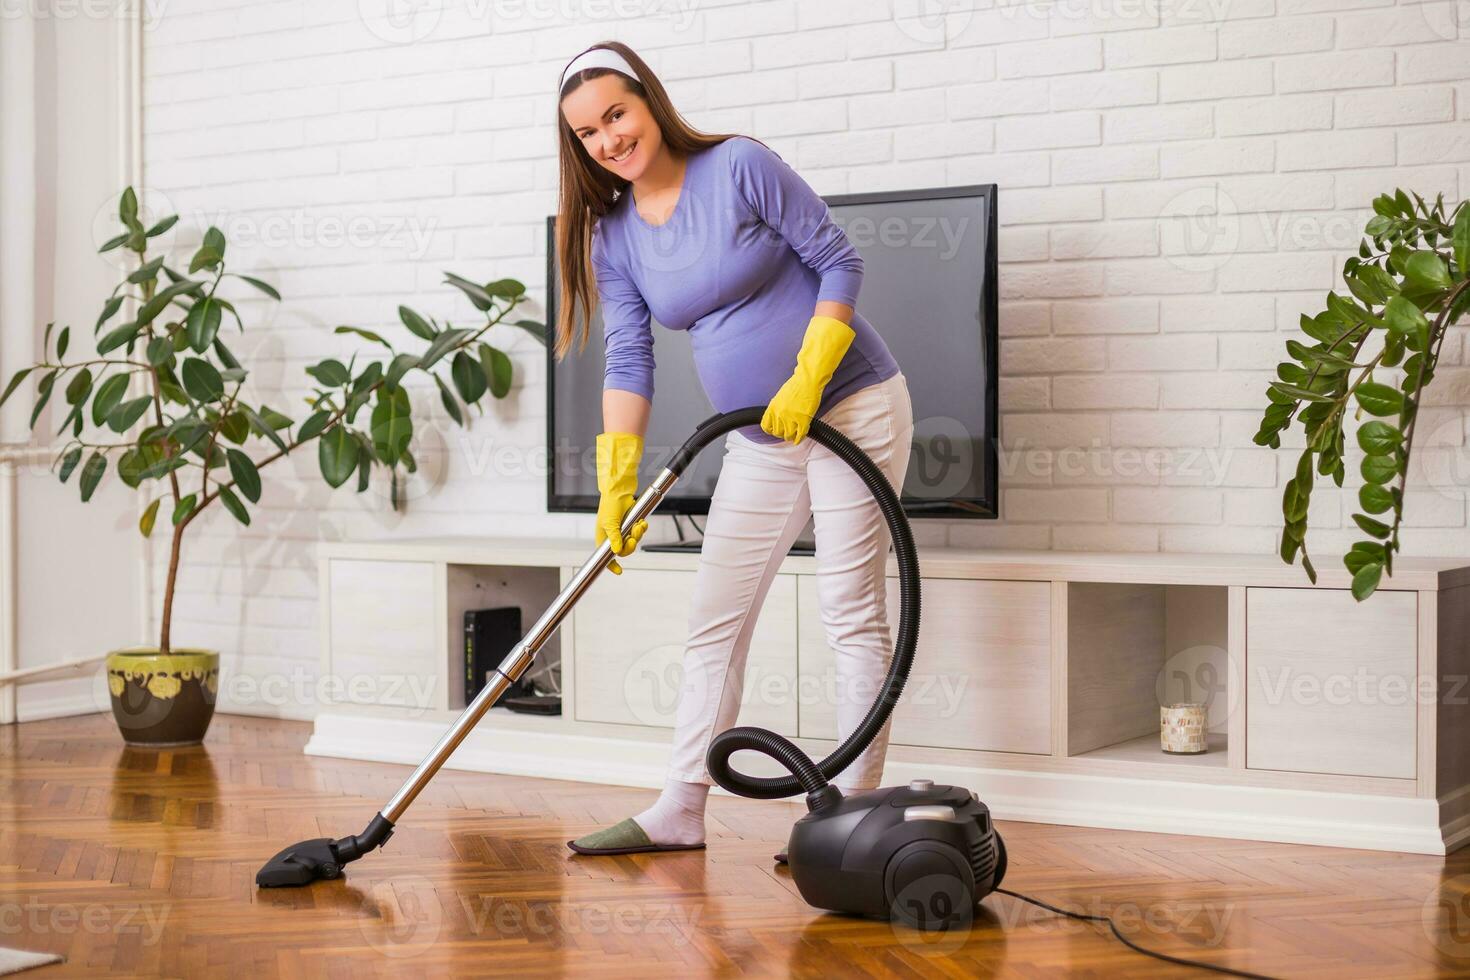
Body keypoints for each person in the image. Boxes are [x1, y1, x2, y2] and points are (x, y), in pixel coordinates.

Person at [553, 41, 914, 855]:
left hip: (850, 409)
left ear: (649, 102)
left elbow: (838, 259)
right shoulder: (614, 236)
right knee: (714, 619)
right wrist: (618, 483)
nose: (608, 139)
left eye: (616, 114)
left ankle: (851, 820)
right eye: (588, 132)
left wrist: (809, 374)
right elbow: (628, 358)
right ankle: (680, 809)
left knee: (850, 614)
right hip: (760, 437)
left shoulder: (738, 166)